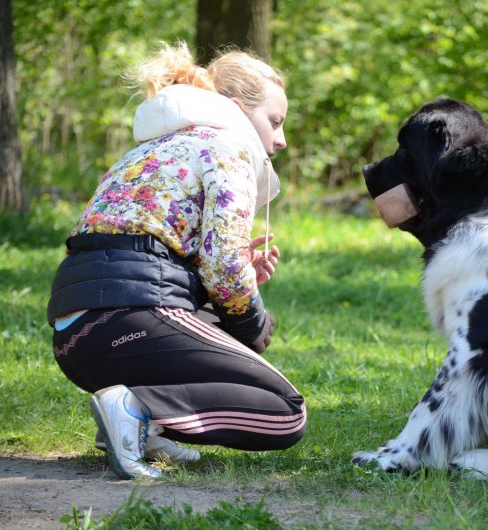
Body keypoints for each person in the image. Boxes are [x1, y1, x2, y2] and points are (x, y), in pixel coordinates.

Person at [47, 42, 306, 480]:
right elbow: (224, 268)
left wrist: (230, 279)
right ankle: (137, 408)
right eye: (275, 122)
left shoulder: (151, 149)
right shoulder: (229, 146)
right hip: (130, 315)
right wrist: (255, 323)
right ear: (239, 109)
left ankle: (142, 425)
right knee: (285, 412)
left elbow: (169, 253)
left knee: (226, 313)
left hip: (74, 336)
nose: (280, 139)